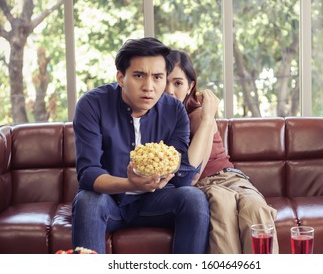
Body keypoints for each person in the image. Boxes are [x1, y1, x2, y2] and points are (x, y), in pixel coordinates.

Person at [72, 38, 210, 254]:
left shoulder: (174, 110)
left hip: (156, 202)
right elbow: (88, 174)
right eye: (138, 76)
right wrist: (130, 184)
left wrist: (158, 179)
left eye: (157, 77)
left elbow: (182, 177)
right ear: (120, 77)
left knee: (194, 198)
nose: (149, 87)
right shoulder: (92, 105)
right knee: (87, 200)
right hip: (109, 202)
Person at [165, 49, 279, 254]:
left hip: (230, 178)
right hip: (202, 184)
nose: (170, 90)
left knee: (255, 208)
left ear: (191, 86)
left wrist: (208, 118)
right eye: (164, 81)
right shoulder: (156, 119)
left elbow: (196, 169)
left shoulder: (199, 115)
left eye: (178, 83)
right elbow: (193, 178)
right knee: (223, 208)